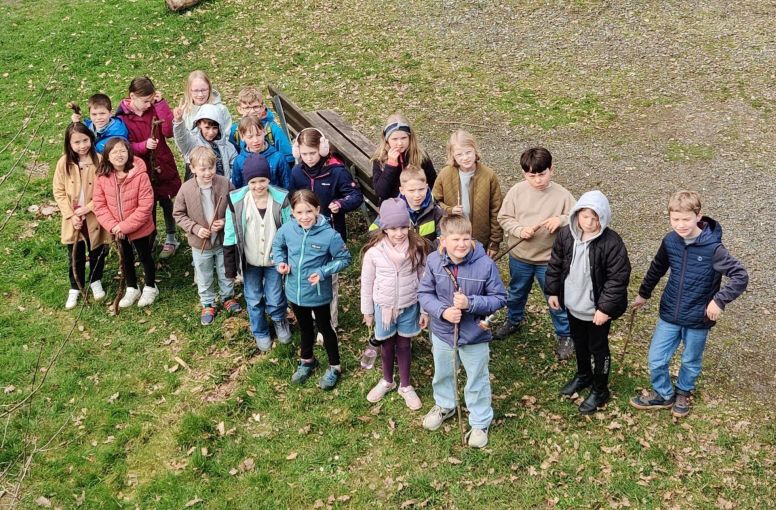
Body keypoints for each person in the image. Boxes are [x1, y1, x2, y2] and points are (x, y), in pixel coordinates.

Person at [629, 191, 748, 418]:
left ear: (698, 216)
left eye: (686, 219)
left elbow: (740, 276)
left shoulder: (714, 249)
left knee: (690, 359)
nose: (681, 225)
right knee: (656, 358)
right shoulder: (670, 240)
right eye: (675, 219)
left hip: (698, 318)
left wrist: (719, 301)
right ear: (669, 217)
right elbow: (657, 267)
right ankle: (663, 394)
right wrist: (643, 294)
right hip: (670, 313)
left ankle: (683, 390)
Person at [418, 215, 507, 448]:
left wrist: (471, 304)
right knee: (443, 372)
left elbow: (499, 298)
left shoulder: (485, 264)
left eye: (466, 238)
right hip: (442, 333)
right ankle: (445, 404)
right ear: (443, 240)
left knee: (477, 377)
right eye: (455, 239)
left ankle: (479, 420)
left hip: (474, 335)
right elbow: (424, 294)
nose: (461, 244)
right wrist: (442, 311)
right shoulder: (434, 261)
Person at [545, 191, 631, 414]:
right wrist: (553, 291)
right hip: (574, 305)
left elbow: (618, 278)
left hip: (596, 311)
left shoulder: (612, 243)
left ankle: (600, 388)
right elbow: (555, 263)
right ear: (577, 215)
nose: (590, 223)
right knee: (580, 343)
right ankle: (583, 375)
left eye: (595, 218)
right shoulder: (566, 235)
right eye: (585, 217)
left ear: (603, 219)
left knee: (598, 348)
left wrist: (605, 308)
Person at [495, 147, 576, 360]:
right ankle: (513, 320)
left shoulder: (562, 195)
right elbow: (504, 218)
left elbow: (577, 217)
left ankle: (565, 334)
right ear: (524, 174)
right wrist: (520, 230)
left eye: (542, 174)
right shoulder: (516, 192)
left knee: (554, 297)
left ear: (552, 170)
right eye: (532, 176)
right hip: (520, 256)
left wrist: (560, 220)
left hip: (549, 261)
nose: (538, 180)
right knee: (516, 291)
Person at [272, 190, 351, 390]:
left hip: (318, 294)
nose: (305, 217)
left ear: (317, 209)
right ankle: (307, 360)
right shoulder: (288, 229)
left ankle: (335, 366)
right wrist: (281, 263)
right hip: (294, 291)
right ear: (292, 212)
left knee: (325, 328)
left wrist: (323, 272)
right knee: (305, 327)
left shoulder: (330, 235)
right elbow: (278, 246)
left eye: (309, 211)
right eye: (299, 212)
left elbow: (344, 259)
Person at [289, 127, 363, 331]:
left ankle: (330, 323)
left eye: (312, 153)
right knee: (309, 276)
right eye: (304, 154)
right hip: (305, 235)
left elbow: (355, 196)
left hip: (330, 235)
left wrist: (340, 203)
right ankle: (313, 317)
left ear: (322, 149)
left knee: (329, 280)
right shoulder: (297, 172)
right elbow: (292, 199)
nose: (309, 158)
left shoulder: (337, 171)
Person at [361, 198, 428, 410]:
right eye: (393, 228)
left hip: (409, 305)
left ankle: (405, 385)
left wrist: (425, 309)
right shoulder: (374, 253)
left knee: (404, 345)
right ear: (384, 228)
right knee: (387, 345)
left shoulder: (417, 249)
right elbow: (367, 283)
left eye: (403, 227)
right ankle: (387, 380)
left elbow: (424, 279)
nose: (399, 233)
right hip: (384, 308)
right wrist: (368, 311)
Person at [224, 154, 293, 352]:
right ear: (248, 181)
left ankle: (280, 320)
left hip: (273, 260)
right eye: (253, 182)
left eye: (262, 180)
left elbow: (289, 228)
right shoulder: (237, 202)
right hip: (250, 260)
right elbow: (230, 234)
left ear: (268, 179)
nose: (258, 186)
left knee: (275, 295)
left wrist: (288, 256)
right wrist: (230, 266)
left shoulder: (281, 199)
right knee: (253, 297)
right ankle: (260, 330)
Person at [173, 146, 241, 325]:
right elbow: (178, 214)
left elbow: (236, 206)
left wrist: (225, 222)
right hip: (200, 243)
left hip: (222, 240)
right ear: (193, 168)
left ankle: (228, 297)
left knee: (225, 269)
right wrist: (195, 228)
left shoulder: (224, 183)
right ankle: (208, 302)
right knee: (203, 273)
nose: (208, 173)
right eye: (202, 169)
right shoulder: (186, 189)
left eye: (211, 168)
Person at [116, 76, 182, 259]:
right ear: (132, 97)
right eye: (145, 101)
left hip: (162, 162)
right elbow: (124, 144)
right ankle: (148, 239)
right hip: (140, 168)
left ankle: (171, 236)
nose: (147, 105)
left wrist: (160, 105)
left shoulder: (155, 108)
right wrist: (143, 146)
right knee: (146, 204)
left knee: (166, 200)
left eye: (150, 100)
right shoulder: (122, 118)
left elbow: (168, 131)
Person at [93, 138, 158, 308]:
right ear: (107, 156)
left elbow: (145, 205)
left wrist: (125, 226)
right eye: (114, 152)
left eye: (122, 150)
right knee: (125, 258)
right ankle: (132, 287)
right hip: (117, 228)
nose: (119, 155)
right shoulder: (102, 177)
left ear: (129, 153)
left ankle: (151, 286)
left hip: (139, 228)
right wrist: (114, 226)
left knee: (145, 256)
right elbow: (100, 205)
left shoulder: (140, 175)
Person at [52, 123, 111, 309]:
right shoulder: (64, 163)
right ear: (69, 144)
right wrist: (70, 214)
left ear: (91, 139)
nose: (82, 145)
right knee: (75, 253)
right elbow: (59, 190)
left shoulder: (99, 160)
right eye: (76, 142)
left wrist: (88, 208)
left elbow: (105, 189)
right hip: (73, 216)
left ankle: (96, 279)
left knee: (97, 248)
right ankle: (75, 286)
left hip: (94, 214)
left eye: (85, 140)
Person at [432, 129, 503, 257]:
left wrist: (494, 242)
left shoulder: (488, 175)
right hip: (453, 236)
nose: (465, 158)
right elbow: (433, 202)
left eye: (468, 152)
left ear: (475, 150)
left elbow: (496, 210)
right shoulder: (445, 174)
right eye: (459, 154)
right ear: (452, 155)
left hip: (479, 238)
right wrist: (449, 210)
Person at [369, 166, 444, 249]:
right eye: (411, 190)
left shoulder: (437, 211)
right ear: (402, 190)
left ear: (426, 187)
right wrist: (393, 244)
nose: (417, 195)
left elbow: (444, 238)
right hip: (399, 256)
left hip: (427, 257)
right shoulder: (391, 209)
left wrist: (423, 248)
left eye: (421, 189)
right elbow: (373, 232)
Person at [371, 114, 436, 202]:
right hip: (394, 206)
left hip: (419, 204)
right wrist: (390, 166)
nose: (400, 143)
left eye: (404, 138)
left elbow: (433, 182)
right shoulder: (380, 159)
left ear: (410, 137)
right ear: (387, 140)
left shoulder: (420, 155)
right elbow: (381, 193)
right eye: (394, 139)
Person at [228, 86, 294, 167]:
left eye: (256, 107)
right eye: (247, 108)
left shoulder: (274, 130)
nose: (252, 111)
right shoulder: (234, 131)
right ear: (239, 109)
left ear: (263, 107)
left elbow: (288, 158)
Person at [173, 103, 236, 182]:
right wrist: (179, 121)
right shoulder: (192, 143)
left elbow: (234, 168)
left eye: (215, 128)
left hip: (221, 189)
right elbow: (181, 138)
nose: (211, 132)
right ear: (199, 124)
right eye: (207, 128)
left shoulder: (228, 147)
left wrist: (227, 184)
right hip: (197, 190)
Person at [231, 116, 289, 189]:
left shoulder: (278, 158)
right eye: (250, 137)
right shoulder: (239, 160)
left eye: (258, 135)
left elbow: (287, 185)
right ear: (242, 137)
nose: (255, 140)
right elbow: (237, 188)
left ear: (264, 132)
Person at [177, 70, 232, 134]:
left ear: (209, 88)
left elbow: (226, 134)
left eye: (203, 90)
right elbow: (181, 138)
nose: (200, 94)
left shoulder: (221, 109)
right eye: (196, 91)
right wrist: (178, 121)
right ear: (189, 91)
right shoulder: (185, 111)